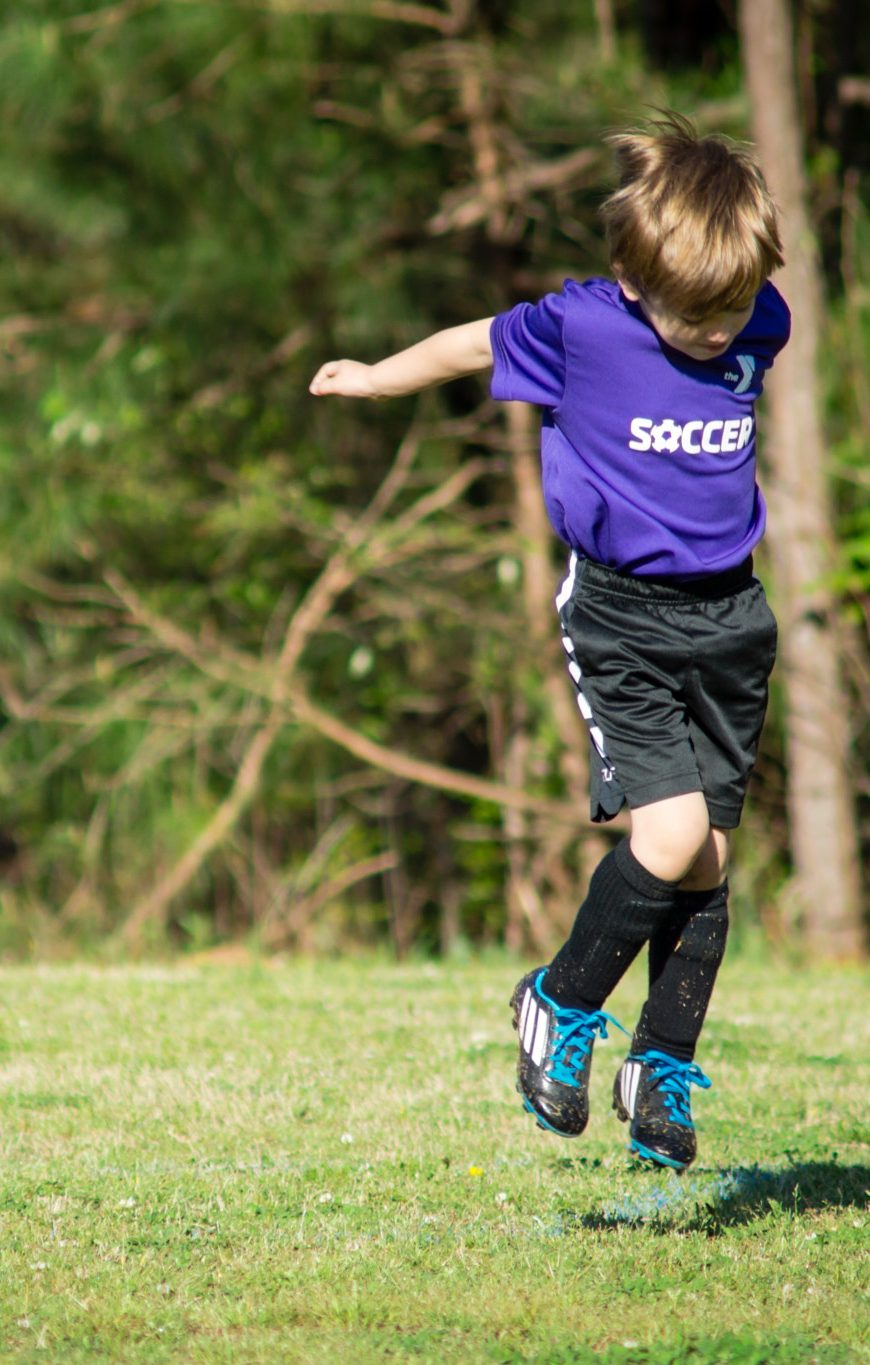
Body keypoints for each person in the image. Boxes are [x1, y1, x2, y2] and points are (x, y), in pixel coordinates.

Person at [308, 114, 788, 1172]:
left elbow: (736, 325)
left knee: (707, 857)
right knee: (663, 839)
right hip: (621, 615)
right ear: (629, 277)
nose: (717, 332)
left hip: (730, 618)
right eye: (689, 315)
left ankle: (658, 1067)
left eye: (732, 308)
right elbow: (470, 343)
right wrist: (377, 378)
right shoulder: (582, 328)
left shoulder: (762, 318)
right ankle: (555, 1001)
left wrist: (731, 311)